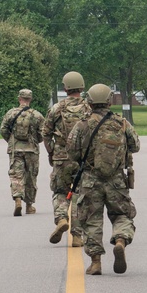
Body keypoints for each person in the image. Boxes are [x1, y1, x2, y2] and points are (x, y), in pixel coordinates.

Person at [66, 83, 140, 275]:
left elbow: (72, 152)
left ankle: (96, 262)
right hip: (116, 181)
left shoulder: (82, 124)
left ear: (89, 102)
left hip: (90, 180)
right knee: (122, 214)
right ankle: (121, 240)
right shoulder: (122, 123)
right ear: (109, 101)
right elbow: (135, 145)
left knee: (91, 220)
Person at [42, 71, 91, 244]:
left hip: (61, 157)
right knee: (80, 195)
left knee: (60, 192)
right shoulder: (89, 108)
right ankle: (77, 235)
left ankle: (62, 218)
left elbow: (46, 133)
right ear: (82, 86)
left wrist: (51, 152)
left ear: (65, 87)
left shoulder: (57, 108)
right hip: (83, 160)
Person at [0, 88, 45, 216]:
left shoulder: (11, 113)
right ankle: (29, 206)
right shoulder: (37, 115)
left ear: (19, 98)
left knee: (16, 175)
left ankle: (18, 199)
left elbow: (3, 129)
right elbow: (43, 133)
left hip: (15, 149)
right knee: (31, 177)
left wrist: (10, 140)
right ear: (30, 99)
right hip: (32, 150)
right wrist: (37, 141)